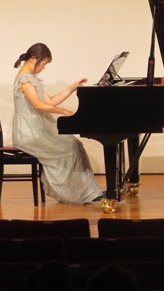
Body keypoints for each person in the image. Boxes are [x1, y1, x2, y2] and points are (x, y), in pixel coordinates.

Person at [13, 42, 104, 204]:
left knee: (74, 144)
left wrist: (72, 88)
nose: (44, 67)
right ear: (34, 59)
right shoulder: (24, 80)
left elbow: (50, 101)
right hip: (29, 132)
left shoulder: (31, 79)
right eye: (43, 63)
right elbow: (38, 105)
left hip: (38, 128)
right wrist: (64, 111)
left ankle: (87, 191)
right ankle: (77, 193)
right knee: (71, 146)